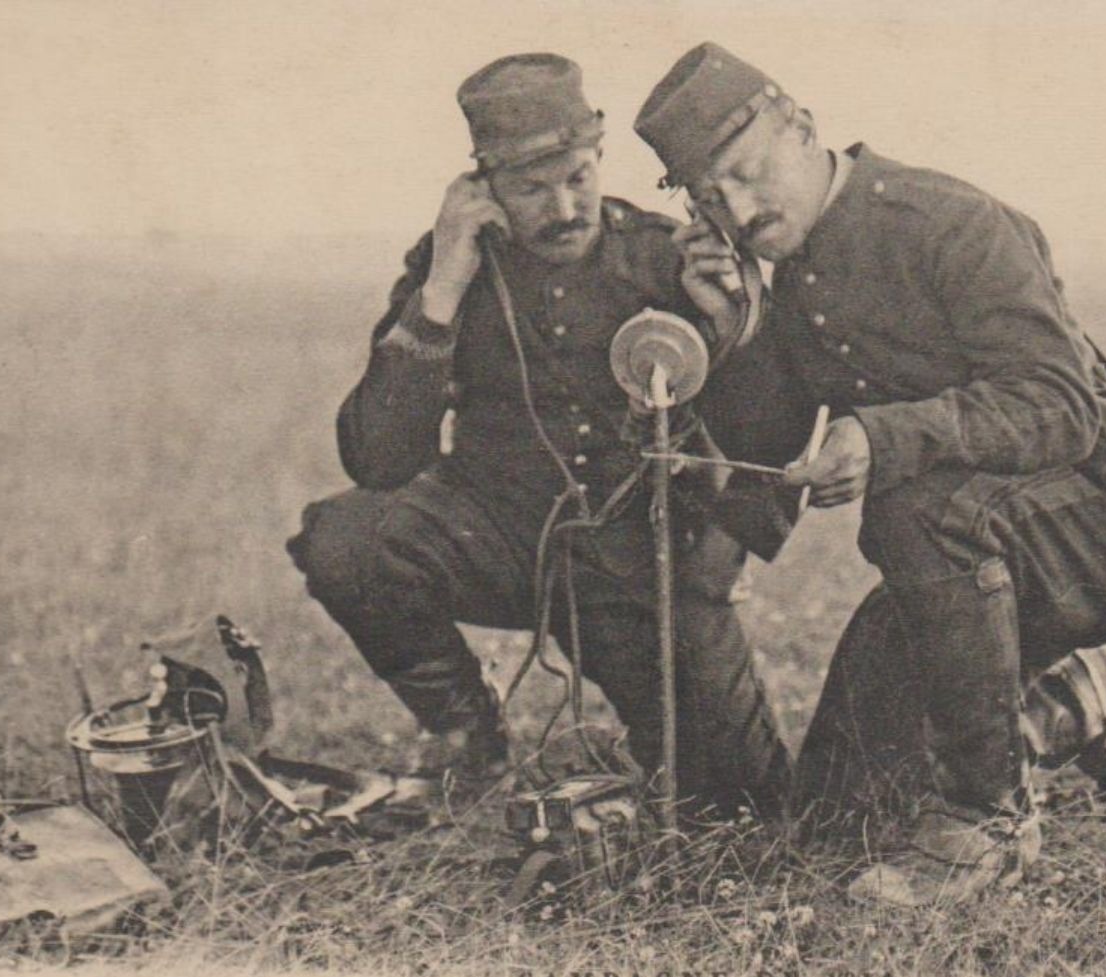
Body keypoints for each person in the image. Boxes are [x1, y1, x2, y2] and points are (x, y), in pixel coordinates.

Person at [635, 43, 1106, 903]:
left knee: (910, 508)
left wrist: (885, 438)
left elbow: (1061, 406)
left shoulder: (944, 221)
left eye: (745, 172)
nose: (735, 209)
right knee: (831, 816)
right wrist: (734, 328)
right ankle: (1065, 705)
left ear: (801, 128)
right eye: (710, 198)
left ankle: (987, 819)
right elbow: (769, 447)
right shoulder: (795, 269)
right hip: (963, 571)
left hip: (1093, 539)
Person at [287, 53, 790, 814]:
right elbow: (379, 461)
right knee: (347, 541)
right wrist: (443, 289)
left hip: (640, 566)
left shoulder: (666, 256)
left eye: (577, 178)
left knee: (739, 802)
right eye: (530, 188)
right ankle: (468, 739)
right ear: (484, 191)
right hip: (497, 535)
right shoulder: (450, 270)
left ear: (598, 161)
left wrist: (723, 322)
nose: (562, 208)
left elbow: (770, 430)